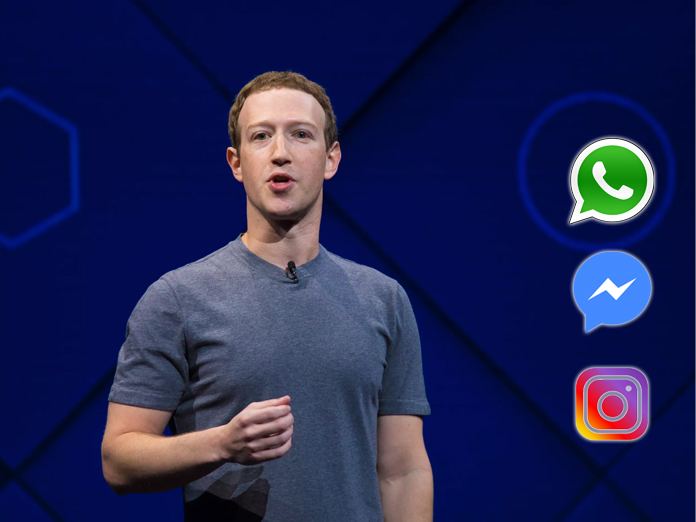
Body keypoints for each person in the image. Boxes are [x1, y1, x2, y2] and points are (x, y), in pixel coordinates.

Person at [101, 70, 433, 521]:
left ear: (331, 159)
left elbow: (403, 470)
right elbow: (119, 460)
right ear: (236, 163)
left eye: (301, 134)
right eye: (261, 136)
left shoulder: (384, 299)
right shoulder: (177, 299)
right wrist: (222, 443)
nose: (280, 153)